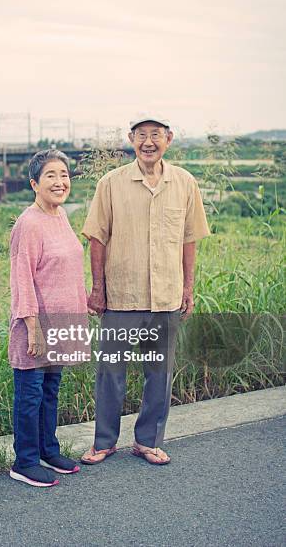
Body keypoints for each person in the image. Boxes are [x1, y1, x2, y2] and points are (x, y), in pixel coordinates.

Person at [81, 115, 210, 466]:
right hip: (122, 296)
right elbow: (97, 236)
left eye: (156, 135)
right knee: (111, 371)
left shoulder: (184, 182)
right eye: (142, 135)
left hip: (166, 297)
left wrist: (188, 287)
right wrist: (98, 289)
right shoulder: (111, 183)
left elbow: (189, 239)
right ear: (131, 139)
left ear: (169, 139)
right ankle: (104, 442)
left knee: (159, 372)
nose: (148, 142)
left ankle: (148, 442)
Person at [9, 149, 88, 487]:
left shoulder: (59, 216)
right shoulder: (28, 223)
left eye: (64, 175)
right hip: (36, 326)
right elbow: (21, 278)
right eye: (51, 176)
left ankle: (48, 450)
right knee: (30, 394)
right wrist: (32, 326)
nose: (60, 182)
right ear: (34, 183)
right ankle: (24, 461)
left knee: (51, 390)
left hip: (61, 323)